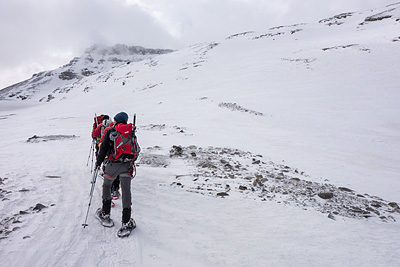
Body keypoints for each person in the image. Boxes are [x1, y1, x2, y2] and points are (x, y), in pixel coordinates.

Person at [95, 112, 140, 235]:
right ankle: (126, 222)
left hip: (112, 166)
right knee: (126, 191)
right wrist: (130, 161)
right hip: (127, 166)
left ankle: (105, 214)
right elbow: (137, 150)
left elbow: (103, 148)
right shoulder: (131, 131)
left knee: (107, 186)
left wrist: (98, 163)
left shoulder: (110, 131)